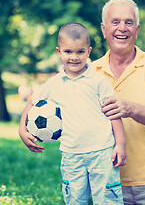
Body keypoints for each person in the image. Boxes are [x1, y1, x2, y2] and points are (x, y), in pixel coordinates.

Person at [19, 23, 126, 205]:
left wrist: (121, 144)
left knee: (108, 200)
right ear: (59, 52)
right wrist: (22, 130)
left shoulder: (98, 81)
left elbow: (113, 114)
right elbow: (31, 104)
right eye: (68, 52)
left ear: (89, 51)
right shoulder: (54, 84)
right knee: (75, 200)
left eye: (80, 52)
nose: (74, 57)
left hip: (102, 152)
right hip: (71, 155)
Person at [91, 0, 145, 204]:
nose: (122, 28)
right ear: (104, 29)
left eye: (129, 22)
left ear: (137, 30)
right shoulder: (89, 72)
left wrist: (129, 108)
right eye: (115, 22)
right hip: (106, 183)